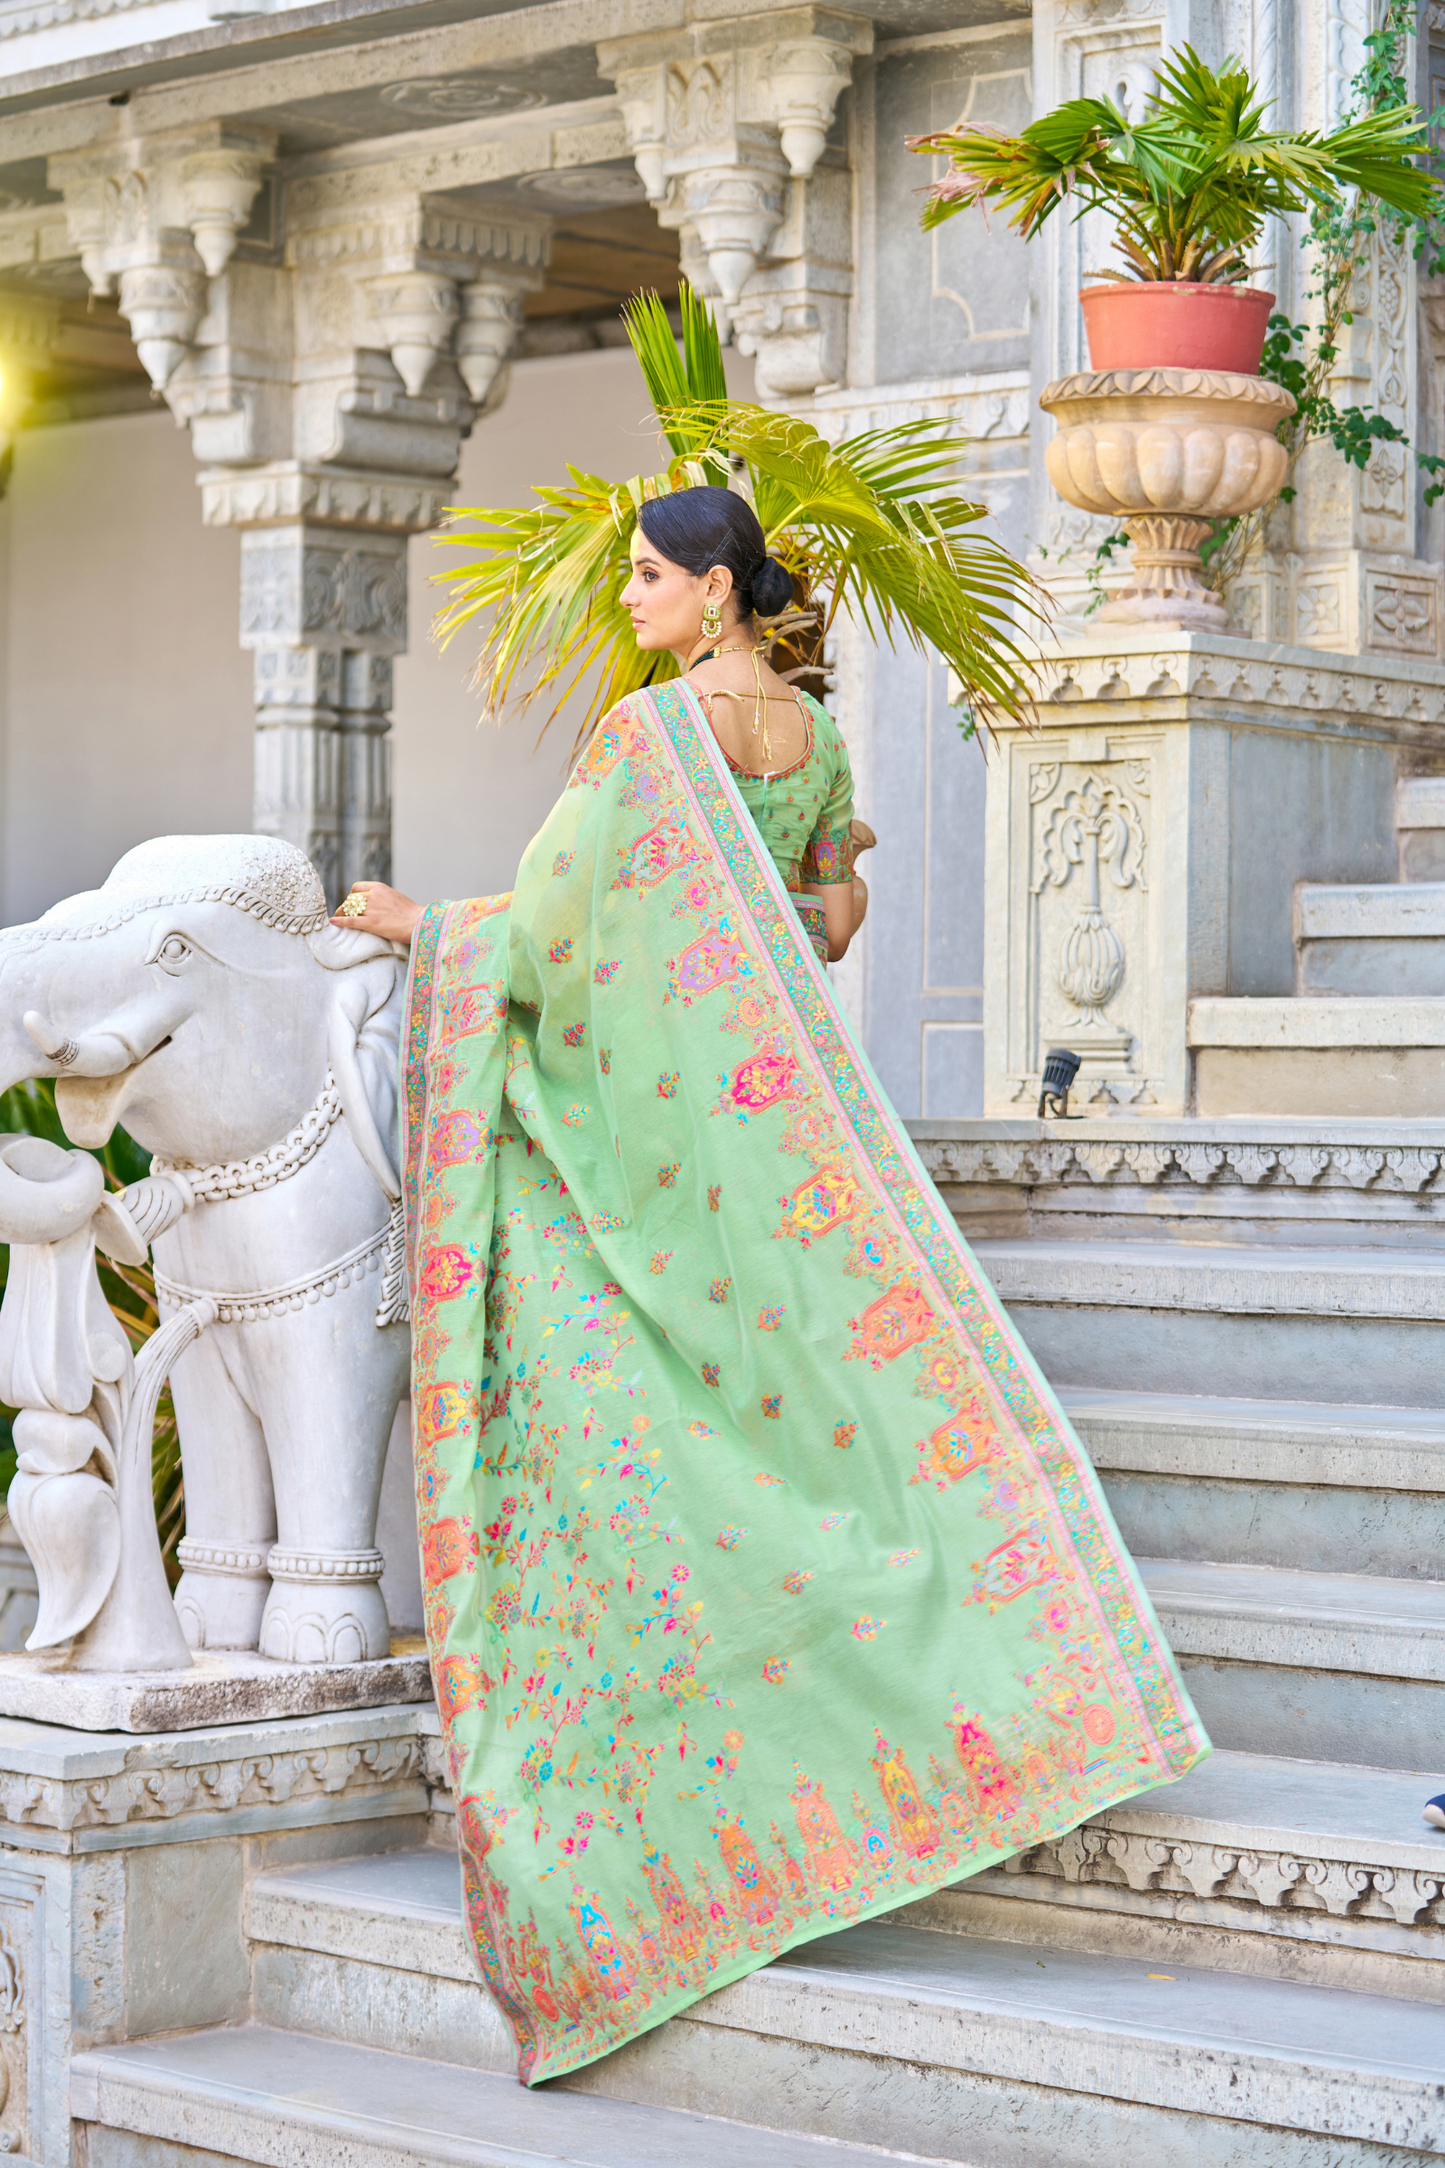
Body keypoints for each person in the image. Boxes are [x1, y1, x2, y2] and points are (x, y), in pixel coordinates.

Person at [333, 486, 1208, 2088]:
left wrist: (417, 929)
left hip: (666, 1128)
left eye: (655, 577)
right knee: (814, 1384)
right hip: (783, 1122)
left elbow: (546, 940)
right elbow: (832, 913)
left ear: (720, 586)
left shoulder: (646, 736)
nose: (639, 601)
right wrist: (744, 925)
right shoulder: (810, 730)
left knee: (680, 1394)